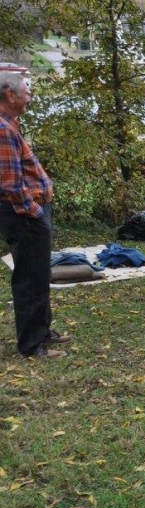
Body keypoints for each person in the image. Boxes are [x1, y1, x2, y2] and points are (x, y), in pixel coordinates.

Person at [0, 72, 69, 359]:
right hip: (23, 214)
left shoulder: (11, 124)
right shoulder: (2, 129)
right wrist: (34, 210)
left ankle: (41, 330)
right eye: (26, 91)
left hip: (30, 212)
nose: (30, 96)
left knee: (39, 272)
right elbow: (9, 182)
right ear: (10, 94)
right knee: (29, 276)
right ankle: (31, 344)